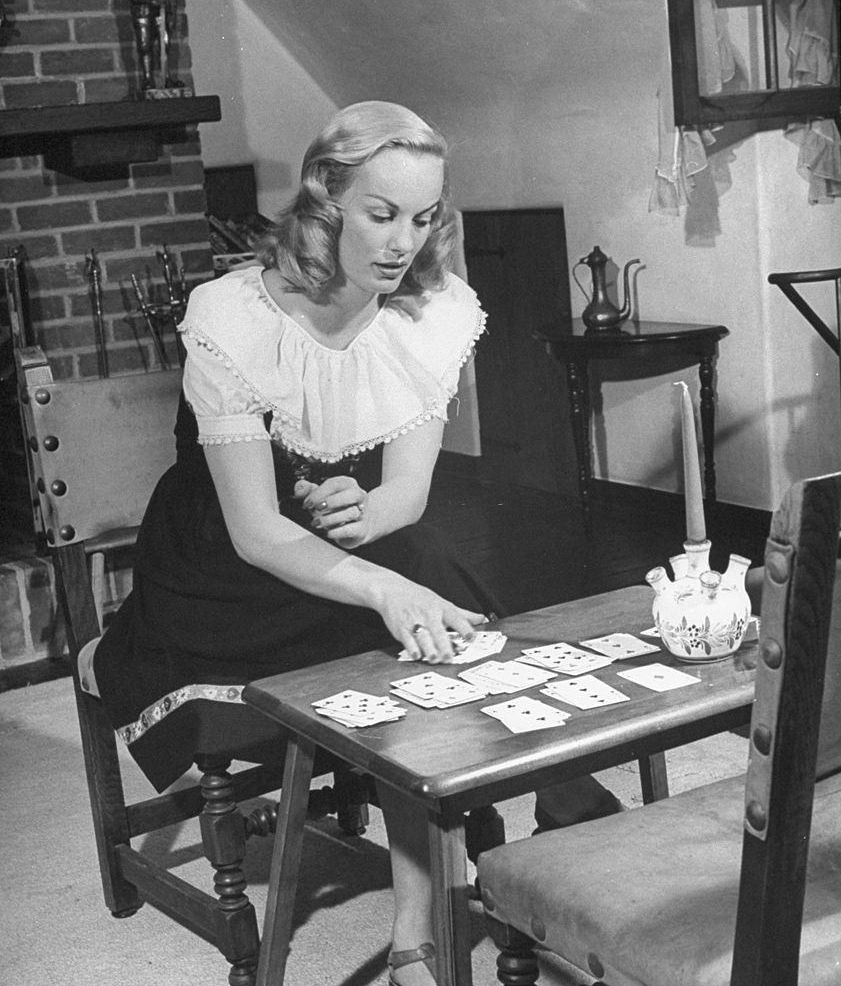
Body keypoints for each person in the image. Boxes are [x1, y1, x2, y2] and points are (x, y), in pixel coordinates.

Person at [86, 101, 618, 986]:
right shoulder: (231, 315)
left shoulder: (432, 311)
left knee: (425, 581)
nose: (403, 241)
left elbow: (404, 494)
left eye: (423, 217)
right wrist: (382, 587)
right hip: (219, 566)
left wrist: (364, 515)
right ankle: (542, 795)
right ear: (325, 198)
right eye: (381, 214)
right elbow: (255, 531)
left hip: (331, 541)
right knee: (410, 614)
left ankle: (419, 923)